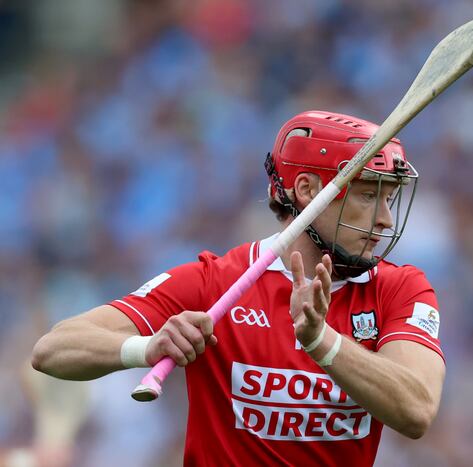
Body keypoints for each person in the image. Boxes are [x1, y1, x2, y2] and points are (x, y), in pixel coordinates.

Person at [31, 110, 445, 466]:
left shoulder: (400, 289)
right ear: (307, 190)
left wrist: (323, 342)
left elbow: (416, 409)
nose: (385, 220)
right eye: (369, 196)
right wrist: (149, 348)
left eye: (389, 198)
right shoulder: (215, 282)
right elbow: (54, 350)